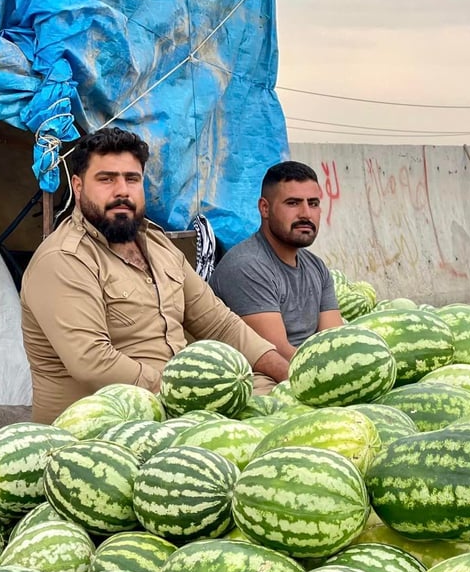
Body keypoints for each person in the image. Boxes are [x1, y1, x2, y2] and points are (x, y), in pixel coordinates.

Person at [20, 128, 289, 423]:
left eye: (132, 179)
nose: (122, 190)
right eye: (106, 179)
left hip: (176, 408)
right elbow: (93, 363)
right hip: (104, 425)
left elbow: (220, 324)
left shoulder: (159, 246)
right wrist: (191, 394)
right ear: (78, 186)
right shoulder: (64, 259)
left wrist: (287, 373)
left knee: (283, 407)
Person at [209, 161, 344, 360]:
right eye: (293, 203)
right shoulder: (247, 266)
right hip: (262, 378)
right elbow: (276, 353)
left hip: (310, 370)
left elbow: (335, 341)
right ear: (264, 208)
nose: (306, 214)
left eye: (313, 203)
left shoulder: (317, 268)